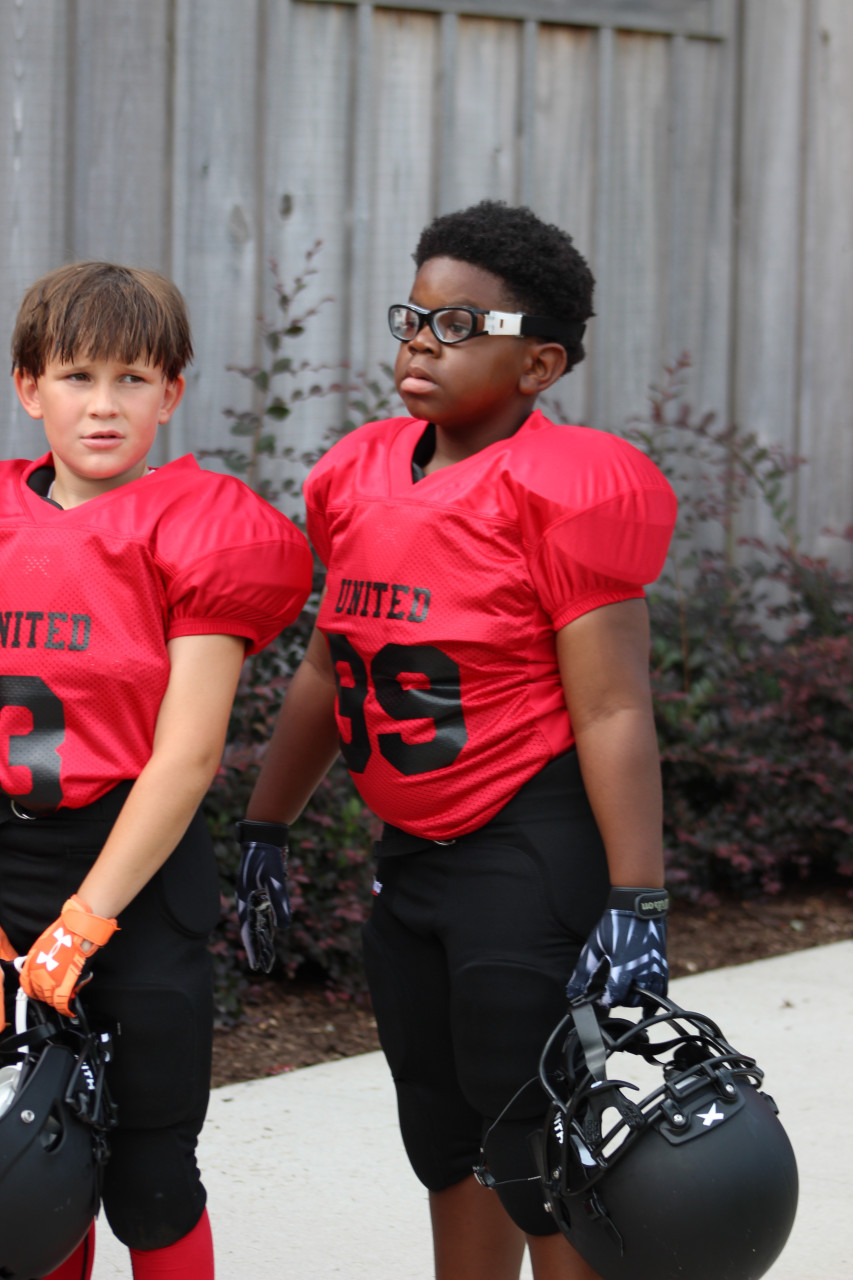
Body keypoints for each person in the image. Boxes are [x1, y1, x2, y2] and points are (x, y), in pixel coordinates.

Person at [243, 200, 678, 1280]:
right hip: (414, 854)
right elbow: (323, 667)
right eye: (413, 317)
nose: (419, 344)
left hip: (525, 842)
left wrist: (639, 898)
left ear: (537, 363)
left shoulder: (568, 484)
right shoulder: (356, 471)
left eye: (456, 325)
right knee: (446, 1136)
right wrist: (265, 826)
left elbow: (614, 707)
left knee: (538, 1143)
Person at [0, 261, 314, 1280]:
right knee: (29, 1160)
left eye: (134, 378)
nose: (104, 404)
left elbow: (183, 757)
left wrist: (85, 921)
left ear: (173, 391)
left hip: (134, 873)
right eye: (78, 374)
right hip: (7, 866)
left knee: (151, 1174)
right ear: (27, 384)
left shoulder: (200, 526)